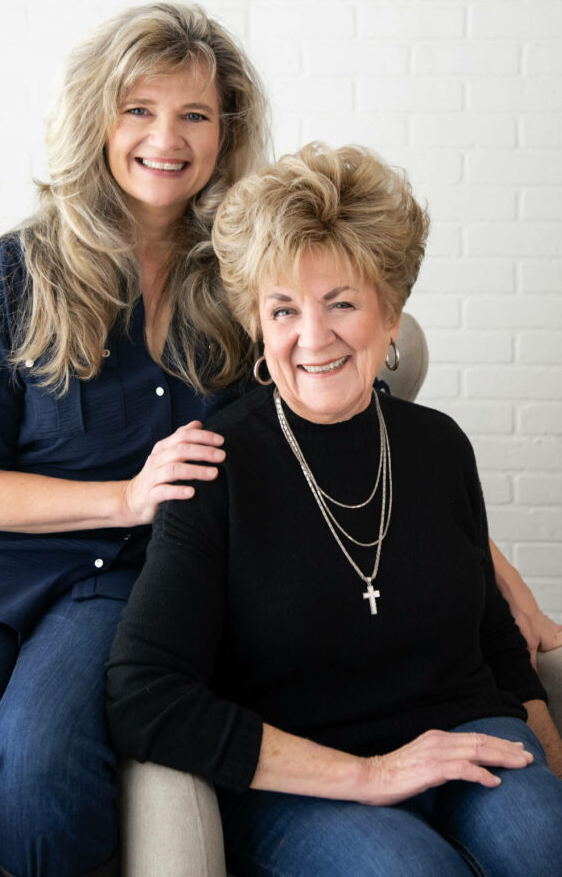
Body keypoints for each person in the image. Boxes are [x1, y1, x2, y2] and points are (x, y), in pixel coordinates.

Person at [0, 3, 269, 877]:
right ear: (99, 117)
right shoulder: (21, 268)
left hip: (126, 580)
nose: (164, 137)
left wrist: (484, 571)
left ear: (224, 133)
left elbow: (349, 399)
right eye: (138, 108)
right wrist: (127, 495)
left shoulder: (248, 279)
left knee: (37, 767)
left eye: (194, 114)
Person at [107, 143, 562, 877]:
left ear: (391, 316)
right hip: (306, 778)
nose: (311, 337)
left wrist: (550, 754)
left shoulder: (438, 445)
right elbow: (143, 696)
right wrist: (373, 775)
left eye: (341, 303)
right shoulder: (213, 466)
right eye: (283, 308)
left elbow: (493, 640)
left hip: (463, 735)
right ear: (257, 324)